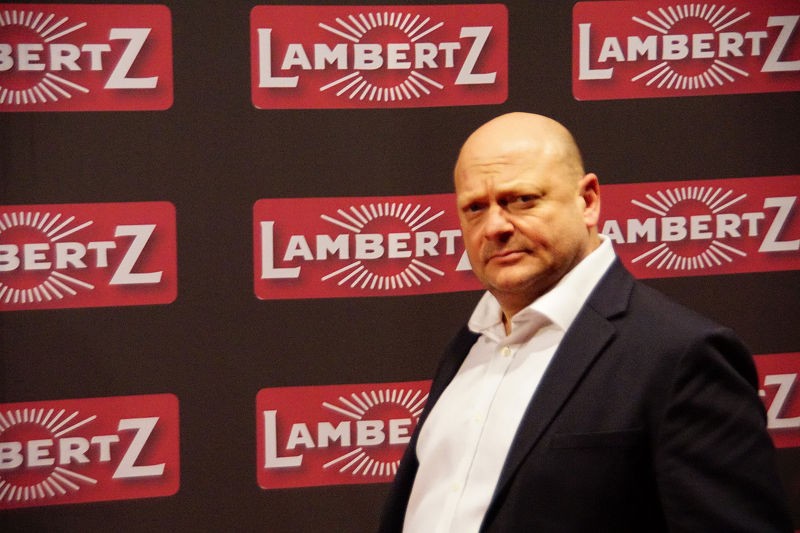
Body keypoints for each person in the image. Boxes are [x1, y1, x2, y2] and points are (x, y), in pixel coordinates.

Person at [378, 112, 793, 532]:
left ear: (588, 201)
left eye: (522, 199)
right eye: (475, 208)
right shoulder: (470, 345)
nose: (495, 226)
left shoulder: (682, 355)